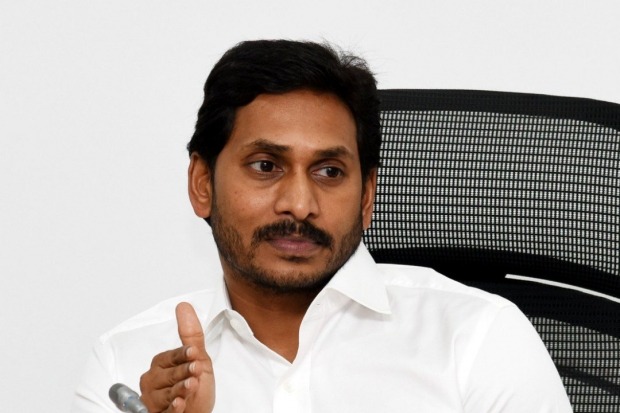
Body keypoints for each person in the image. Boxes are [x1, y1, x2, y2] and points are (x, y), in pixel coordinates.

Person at [73, 40, 572, 413]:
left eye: (329, 172)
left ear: (367, 196)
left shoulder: (479, 338)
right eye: (266, 166)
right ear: (202, 184)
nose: (299, 204)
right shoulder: (126, 366)